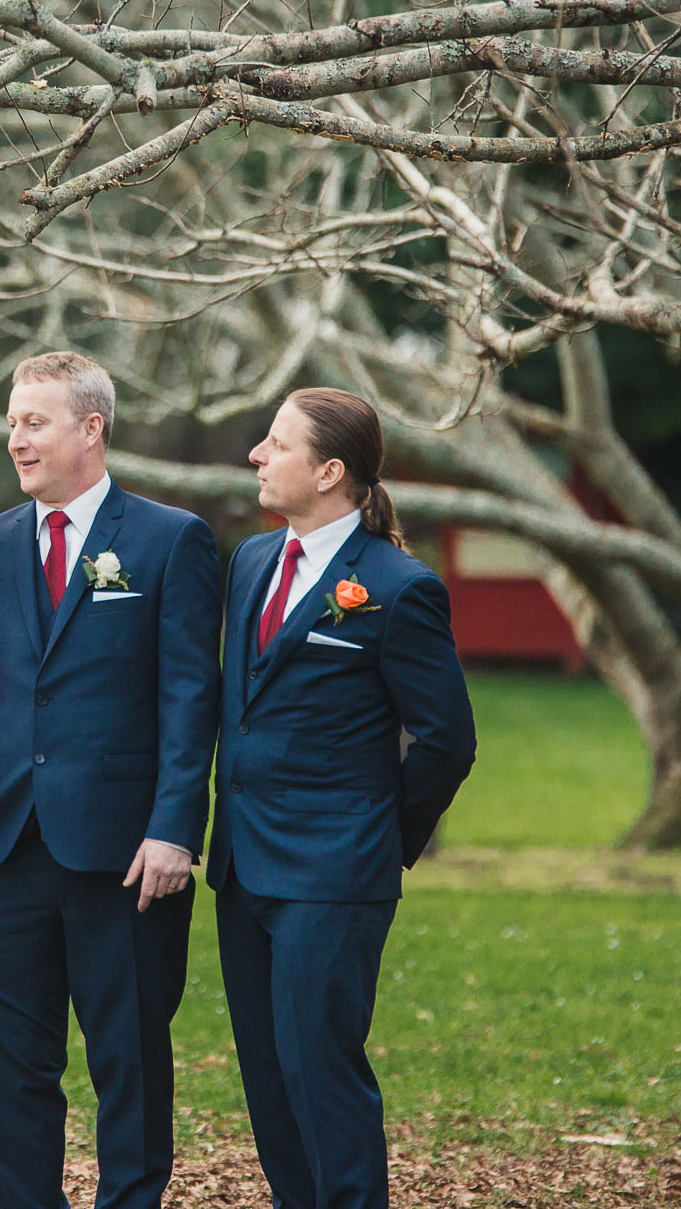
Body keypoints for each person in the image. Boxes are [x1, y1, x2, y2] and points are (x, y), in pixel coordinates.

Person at [0, 351, 222, 1209]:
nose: (15, 439)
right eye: (12, 422)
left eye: (34, 421)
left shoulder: (170, 539)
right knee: (10, 1067)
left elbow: (190, 694)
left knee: (129, 1060)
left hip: (126, 854)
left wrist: (176, 826)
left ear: (91, 429)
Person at [206, 387, 476, 1209]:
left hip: (335, 873)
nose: (257, 453)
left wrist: (378, 835)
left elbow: (447, 741)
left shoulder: (399, 587)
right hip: (243, 865)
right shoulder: (253, 561)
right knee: (267, 1077)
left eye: (276, 443)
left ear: (328, 471)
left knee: (321, 1071)